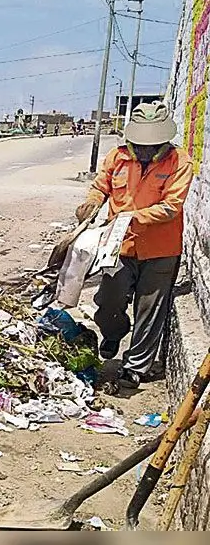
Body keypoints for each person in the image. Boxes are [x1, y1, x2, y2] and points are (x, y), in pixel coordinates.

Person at [75, 101, 193, 391]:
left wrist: (132, 217)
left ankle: (135, 367)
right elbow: (100, 187)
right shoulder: (117, 157)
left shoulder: (180, 162)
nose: (143, 150)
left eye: (150, 145)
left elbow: (171, 207)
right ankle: (113, 332)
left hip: (161, 249)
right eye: (139, 144)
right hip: (119, 246)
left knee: (149, 310)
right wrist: (91, 204)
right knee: (108, 301)